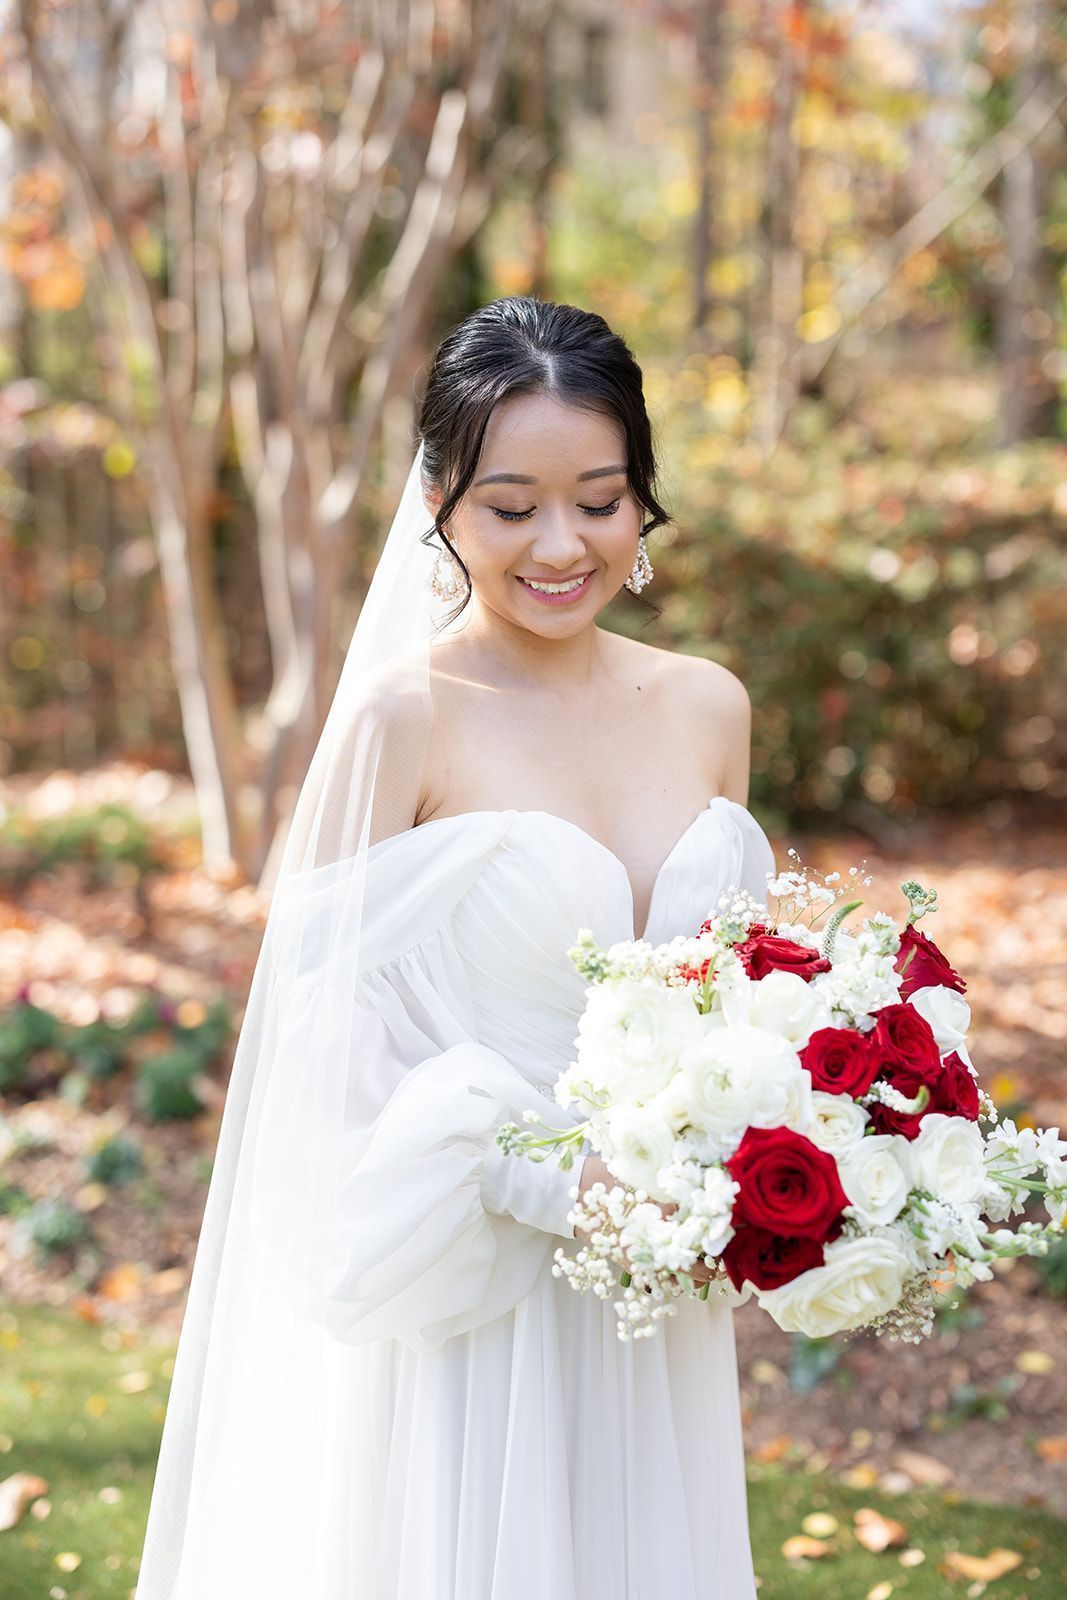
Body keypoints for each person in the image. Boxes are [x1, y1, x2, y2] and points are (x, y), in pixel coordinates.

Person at [134, 296, 776, 1599]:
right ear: (439, 498)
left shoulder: (708, 708)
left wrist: (794, 1140)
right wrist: (564, 1182)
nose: (560, 543)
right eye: (510, 504)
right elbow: (318, 1056)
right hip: (476, 1299)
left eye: (599, 500)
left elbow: (739, 992)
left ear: (641, 498)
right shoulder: (401, 719)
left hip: (660, 1297)